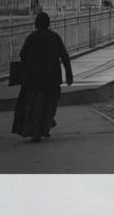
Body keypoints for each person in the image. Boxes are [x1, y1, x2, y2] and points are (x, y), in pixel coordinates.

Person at [11, 11, 73, 142]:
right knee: (49, 105)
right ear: (48, 23)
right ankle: (45, 127)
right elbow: (64, 56)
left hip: (33, 79)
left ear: (36, 24)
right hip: (52, 78)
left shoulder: (31, 37)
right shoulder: (54, 37)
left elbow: (23, 55)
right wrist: (69, 74)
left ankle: (35, 130)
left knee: (34, 105)